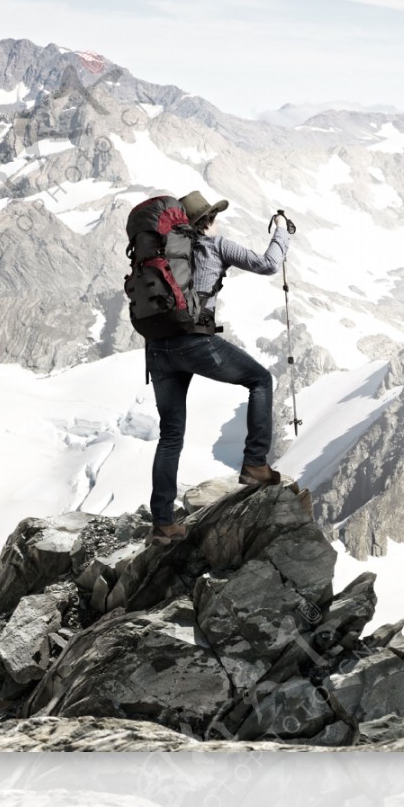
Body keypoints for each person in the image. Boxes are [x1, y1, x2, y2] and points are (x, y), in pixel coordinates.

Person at [144, 190, 292, 546]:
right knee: (260, 380)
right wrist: (282, 231)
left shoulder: (161, 252)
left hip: (158, 348)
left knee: (170, 435)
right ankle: (255, 464)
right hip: (195, 342)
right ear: (207, 221)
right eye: (214, 216)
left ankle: (163, 524)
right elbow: (268, 264)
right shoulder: (216, 245)